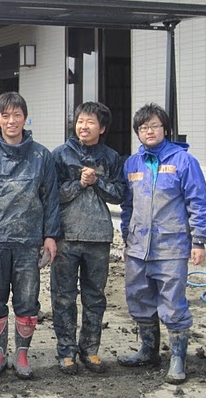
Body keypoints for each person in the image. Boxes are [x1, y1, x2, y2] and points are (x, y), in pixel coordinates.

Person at [0, 91, 60, 380]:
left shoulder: (41, 155)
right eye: (5, 115)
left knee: (27, 301)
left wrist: (50, 236)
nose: (11, 120)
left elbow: (51, 198)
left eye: (17, 115)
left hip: (29, 243)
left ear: (25, 118)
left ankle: (21, 353)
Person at [118, 103, 206, 385]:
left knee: (173, 302)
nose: (149, 131)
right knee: (139, 298)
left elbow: (198, 201)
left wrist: (199, 240)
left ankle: (178, 358)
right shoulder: (132, 164)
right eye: (144, 128)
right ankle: (148, 351)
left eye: (154, 126)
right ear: (138, 132)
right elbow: (127, 204)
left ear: (165, 129)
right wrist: (126, 235)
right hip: (138, 247)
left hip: (171, 246)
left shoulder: (184, 161)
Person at [50, 102, 126, 375]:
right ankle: (66, 351)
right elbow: (51, 195)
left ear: (102, 128)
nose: (84, 126)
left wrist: (97, 182)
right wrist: (79, 184)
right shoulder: (59, 155)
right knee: (63, 297)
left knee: (95, 297)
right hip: (65, 237)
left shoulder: (111, 157)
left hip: (99, 238)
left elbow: (119, 194)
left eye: (90, 122)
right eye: (80, 120)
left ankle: (90, 349)